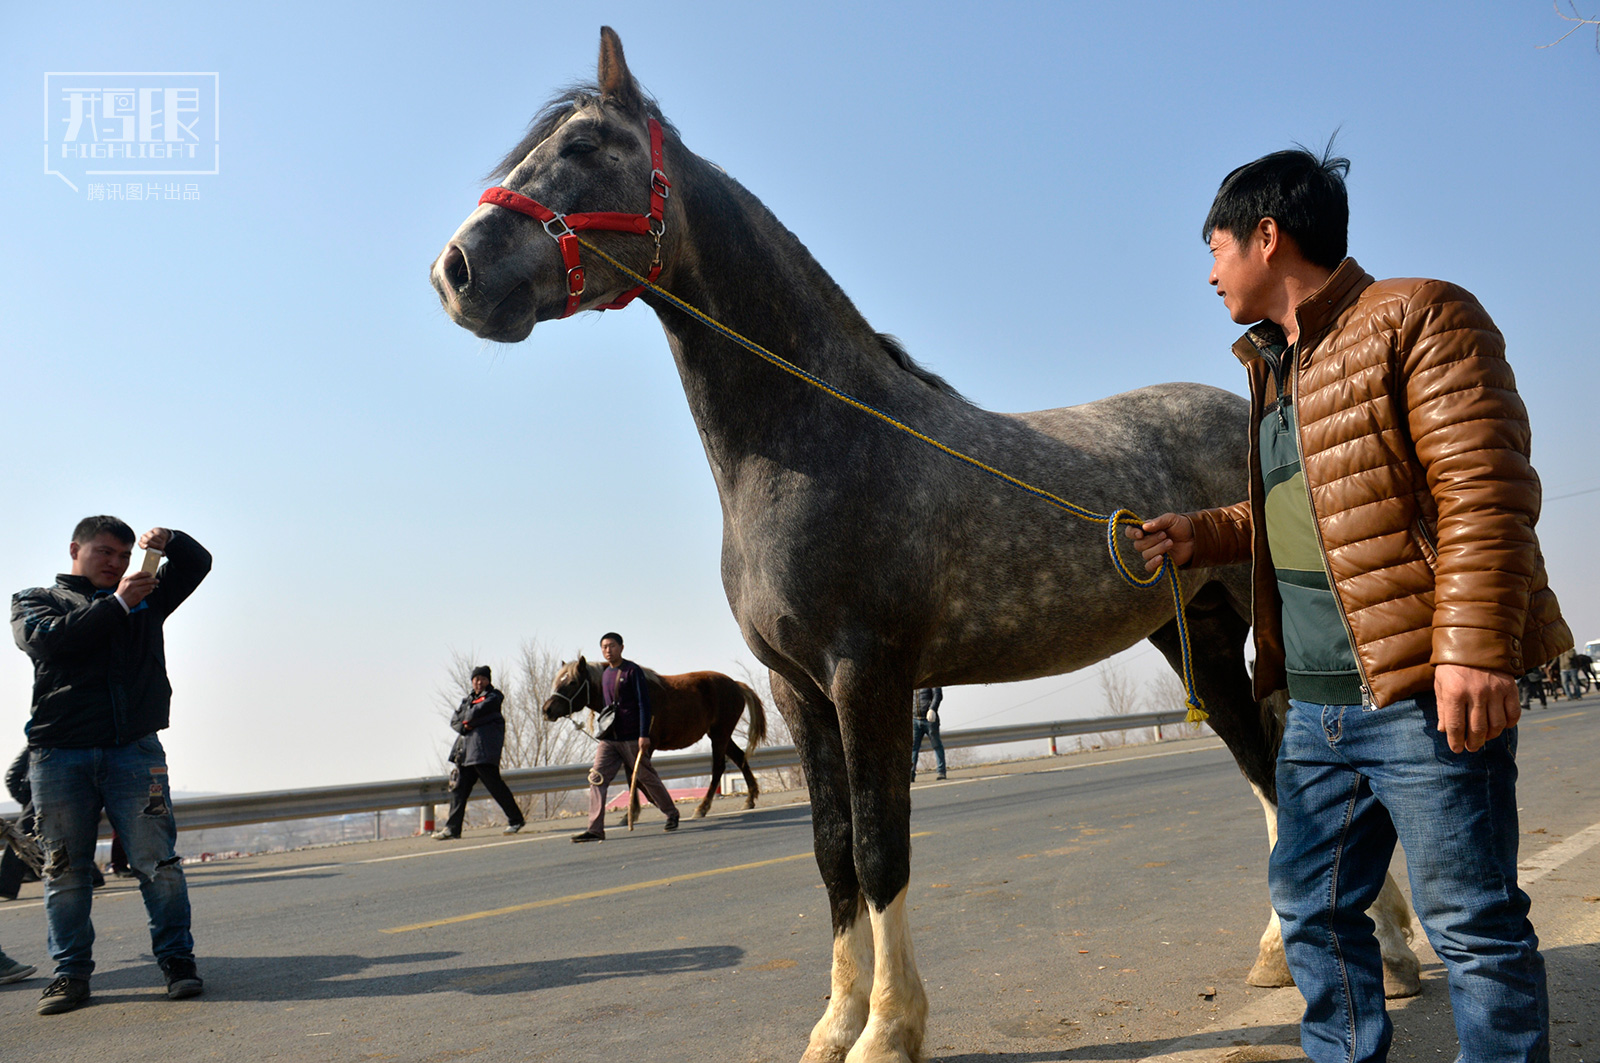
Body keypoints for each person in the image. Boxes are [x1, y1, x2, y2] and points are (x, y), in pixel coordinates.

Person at [1128, 147, 1570, 1063]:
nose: (1208, 272)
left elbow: (1483, 489)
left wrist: (1476, 649)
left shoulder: (1419, 317)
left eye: (1213, 247)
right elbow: (1308, 509)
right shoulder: (1277, 367)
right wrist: (1199, 535)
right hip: (1317, 710)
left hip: (1419, 694)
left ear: (1266, 234)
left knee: (1472, 927)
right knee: (1311, 910)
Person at [11, 516, 212, 1014]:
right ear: (76, 549)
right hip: (59, 754)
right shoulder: (36, 600)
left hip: (134, 750)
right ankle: (70, 974)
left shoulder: (146, 597)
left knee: (158, 864)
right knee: (64, 872)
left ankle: (177, 962)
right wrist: (119, 602)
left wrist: (171, 542)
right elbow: (48, 642)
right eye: (105, 552)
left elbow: (198, 564)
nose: (116, 563)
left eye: (124, 555)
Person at [571, 632, 678, 842]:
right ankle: (595, 829)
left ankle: (671, 813)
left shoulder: (632, 671)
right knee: (596, 778)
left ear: (621, 647)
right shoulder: (605, 675)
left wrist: (643, 734)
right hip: (609, 738)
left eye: (611, 646)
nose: (607, 650)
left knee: (646, 777)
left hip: (631, 736)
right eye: (604, 647)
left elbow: (643, 704)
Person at [433, 666, 526, 839]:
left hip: (483, 753)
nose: (478, 682)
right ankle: (452, 829)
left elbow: (475, 712)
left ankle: (516, 820)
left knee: (495, 787)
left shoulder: (493, 697)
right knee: (459, 790)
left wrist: (468, 719)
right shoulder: (468, 699)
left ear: (488, 680)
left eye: (482, 678)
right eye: (475, 679)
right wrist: (465, 723)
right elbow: (455, 720)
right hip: (466, 753)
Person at [911, 687, 946, 781]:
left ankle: (941, 771)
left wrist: (932, 709)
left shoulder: (930, 679)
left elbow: (938, 694)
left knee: (936, 745)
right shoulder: (913, 680)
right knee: (913, 747)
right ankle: (911, 773)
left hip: (929, 719)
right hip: (915, 719)